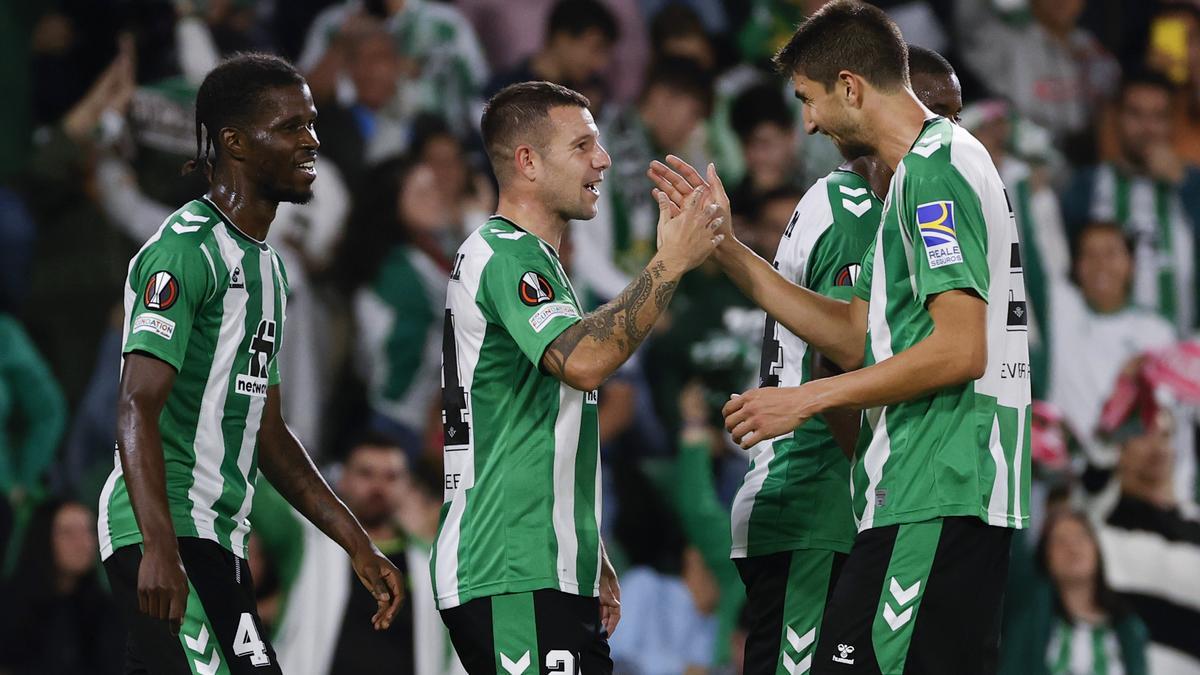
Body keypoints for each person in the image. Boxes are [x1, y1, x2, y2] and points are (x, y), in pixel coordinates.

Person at [653, 4, 1028, 671]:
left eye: (810, 99)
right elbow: (857, 333)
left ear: (851, 86)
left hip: (935, 488)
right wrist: (729, 250)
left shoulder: (932, 172)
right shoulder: (915, 177)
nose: (808, 123)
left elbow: (960, 347)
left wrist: (808, 400)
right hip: (931, 491)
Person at [97, 54, 402, 675]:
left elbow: (269, 434)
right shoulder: (184, 250)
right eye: (291, 127)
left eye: (312, 124)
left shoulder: (267, 269)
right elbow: (136, 405)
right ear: (234, 142)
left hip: (219, 535)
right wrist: (158, 545)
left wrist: (356, 542)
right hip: (166, 529)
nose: (311, 141)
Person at [434, 80, 724, 672]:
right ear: (527, 162)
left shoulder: (538, 263)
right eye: (583, 146)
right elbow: (586, 364)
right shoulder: (507, 255)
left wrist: (586, 551)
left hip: (544, 561)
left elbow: (543, 420)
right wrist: (669, 261)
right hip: (509, 562)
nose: (604, 159)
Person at [1061, 70, 1200, 333]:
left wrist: (1186, 185)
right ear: (1117, 119)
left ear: (1172, 123)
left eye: (1158, 117)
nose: (1147, 128)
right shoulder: (1086, 186)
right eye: (1136, 114)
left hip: (1182, 353)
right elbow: (1064, 268)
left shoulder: (1192, 184)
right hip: (1101, 351)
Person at [1098, 418, 1200, 674]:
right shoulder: (1095, 521)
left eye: (1165, 436)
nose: (1158, 446)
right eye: (1144, 434)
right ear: (1119, 447)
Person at [999, 510, 1148, 675]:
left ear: (1097, 550)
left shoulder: (1129, 628)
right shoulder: (1029, 612)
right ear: (1045, 556)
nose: (1072, 547)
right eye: (1059, 541)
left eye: (1081, 537)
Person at [0, 500, 123, 675]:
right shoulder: (10, 606)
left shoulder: (104, 610)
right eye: (68, 533)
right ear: (43, 537)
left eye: (88, 531)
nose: (84, 543)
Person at [483, 0, 620, 104]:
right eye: (594, 48)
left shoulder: (593, 94)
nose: (600, 63)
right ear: (562, 38)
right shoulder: (503, 92)